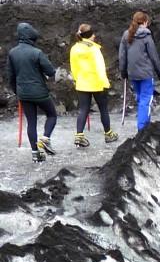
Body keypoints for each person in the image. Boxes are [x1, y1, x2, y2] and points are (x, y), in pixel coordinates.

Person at [7, 22, 57, 162]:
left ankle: (35, 153)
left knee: (31, 122)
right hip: (39, 92)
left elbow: (11, 76)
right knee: (52, 115)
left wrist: (17, 92)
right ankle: (46, 138)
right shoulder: (37, 52)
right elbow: (51, 71)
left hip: (23, 93)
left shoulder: (12, 53)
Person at [69, 23, 117, 147]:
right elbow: (100, 68)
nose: (95, 36)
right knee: (103, 109)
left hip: (82, 83)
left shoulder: (74, 48)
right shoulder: (94, 49)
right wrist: (105, 82)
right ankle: (108, 134)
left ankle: (79, 135)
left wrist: (76, 79)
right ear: (90, 36)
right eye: (93, 34)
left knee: (83, 109)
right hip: (97, 83)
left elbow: (73, 67)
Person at [118, 11, 160, 131]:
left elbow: (122, 56)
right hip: (146, 74)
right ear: (145, 22)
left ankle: (146, 127)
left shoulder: (126, 35)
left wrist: (123, 72)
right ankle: (142, 129)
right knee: (146, 100)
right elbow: (153, 56)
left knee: (140, 99)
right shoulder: (147, 36)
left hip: (132, 73)